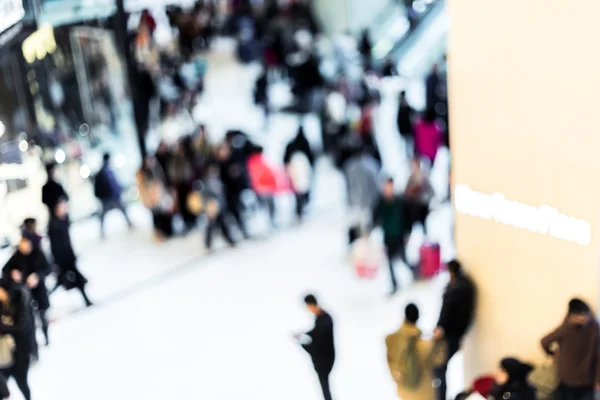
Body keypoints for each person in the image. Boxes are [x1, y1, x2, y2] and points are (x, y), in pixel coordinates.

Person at [541, 298, 600, 400]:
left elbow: (544, 342)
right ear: (572, 316)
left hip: (572, 378)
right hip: (581, 379)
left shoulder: (566, 327)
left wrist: (551, 353)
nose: (584, 318)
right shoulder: (594, 327)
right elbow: (544, 341)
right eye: (581, 316)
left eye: (585, 315)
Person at [434, 260, 476, 400]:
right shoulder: (468, 285)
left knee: (440, 367)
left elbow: (446, 312)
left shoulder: (453, 290)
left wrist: (440, 328)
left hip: (451, 335)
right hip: (460, 332)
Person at [385, 303, 445, 400]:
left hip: (404, 392)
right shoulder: (425, 345)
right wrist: (439, 342)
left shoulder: (391, 339)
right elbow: (439, 360)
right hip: (423, 393)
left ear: (404, 317)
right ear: (418, 318)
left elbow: (391, 362)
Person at [3, 237, 50, 348]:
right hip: (25, 292)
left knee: (42, 314)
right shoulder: (17, 256)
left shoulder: (38, 253)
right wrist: (13, 273)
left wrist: (37, 276)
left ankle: (46, 336)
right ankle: (34, 345)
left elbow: (48, 268)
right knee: (30, 319)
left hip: (39, 290)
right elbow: (5, 269)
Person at [48, 200, 93, 307]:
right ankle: (44, 300)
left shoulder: (62, 222)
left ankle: (86, 299)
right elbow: (56, 246)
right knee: (68, 280)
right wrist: (57, 261)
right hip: (63, 259)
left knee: (66, 280)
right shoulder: (54, 226)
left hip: (68, 256)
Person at [372, 178, 409, 295]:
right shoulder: (380, 202)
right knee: (390, 261)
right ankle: (394, 283)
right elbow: (375, 217)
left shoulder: (399, 201)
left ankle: (414, 272)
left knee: (403, 258)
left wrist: (407, 233)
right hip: (388, 236)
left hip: (399, 235)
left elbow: (406, 217)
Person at [0, 276, 33, 400]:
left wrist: (3, 327)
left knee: (22, 382)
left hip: (20, 351)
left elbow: (22, 327)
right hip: (3, 354)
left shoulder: (19, 300)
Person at [296, 294, 335, 400]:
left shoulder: (324, 320)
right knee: (325, 386)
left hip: (324, 360)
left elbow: (318, 340)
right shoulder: (323, 317)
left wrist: (303, 344)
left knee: (325, 387)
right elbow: (315, 333)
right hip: (325, 358)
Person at [95, 153, 133, 238]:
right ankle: (102, 232)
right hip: (110, 197)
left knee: (105, 215)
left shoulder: (104, 170)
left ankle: (102, 232)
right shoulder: (106, 171)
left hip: (108, 198)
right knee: (120, 210)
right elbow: (113, 184)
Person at [137, 156, 174, 240]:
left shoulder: (156, 169)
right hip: (150, 199)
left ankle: (165, 232)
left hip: (158, 197)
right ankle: (158, 235)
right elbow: (142, 187)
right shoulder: (142, 173)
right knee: (156, 217)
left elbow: (161, 181)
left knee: (162, 215)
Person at [284, 126, 315, 220]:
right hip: (301, 170)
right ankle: (301, 208)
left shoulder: (291, 144)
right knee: (302, 189)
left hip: (296, 170)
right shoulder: (304, 143)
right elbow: (311, 157)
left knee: (297, 190)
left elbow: (285, 158)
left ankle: (300, 209)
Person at [202, 164, 235, 250]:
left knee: (223, 225)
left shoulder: (219, 181)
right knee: (211, 226)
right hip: (212, 209)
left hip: (220, 208)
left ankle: (230, 240)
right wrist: (209, 208)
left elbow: (222, 195)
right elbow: (206, 197)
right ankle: (208, 244)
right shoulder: (207, 183)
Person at [404, 157, 434, 234]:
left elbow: (431, 193)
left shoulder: (424, 178)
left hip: (422, 208)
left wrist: (420, 195)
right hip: (412, 209)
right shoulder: (410, 179)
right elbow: (406, 193)